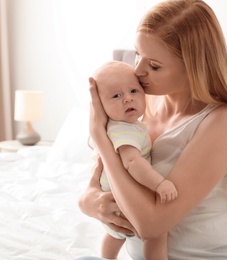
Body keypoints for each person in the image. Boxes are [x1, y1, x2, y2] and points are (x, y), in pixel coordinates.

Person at [78, 0, 227, 259]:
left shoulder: (222, 122)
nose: (137, 71)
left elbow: (151, 225)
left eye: (154, 65)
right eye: (138, 54)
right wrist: (91, 203)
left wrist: (102, 140)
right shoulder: (138, 105)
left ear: (193, 66)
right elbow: (97, 184)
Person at [89, 61, 177, 260]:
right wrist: (159, 183)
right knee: (156, 235)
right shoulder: (124, 129)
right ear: (100, 106)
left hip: (112, 197)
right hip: (122, 198)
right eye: (116, 95)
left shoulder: (123, 126)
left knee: (115, 236)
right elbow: (132, 163)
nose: (127, 99)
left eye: (134, 91)